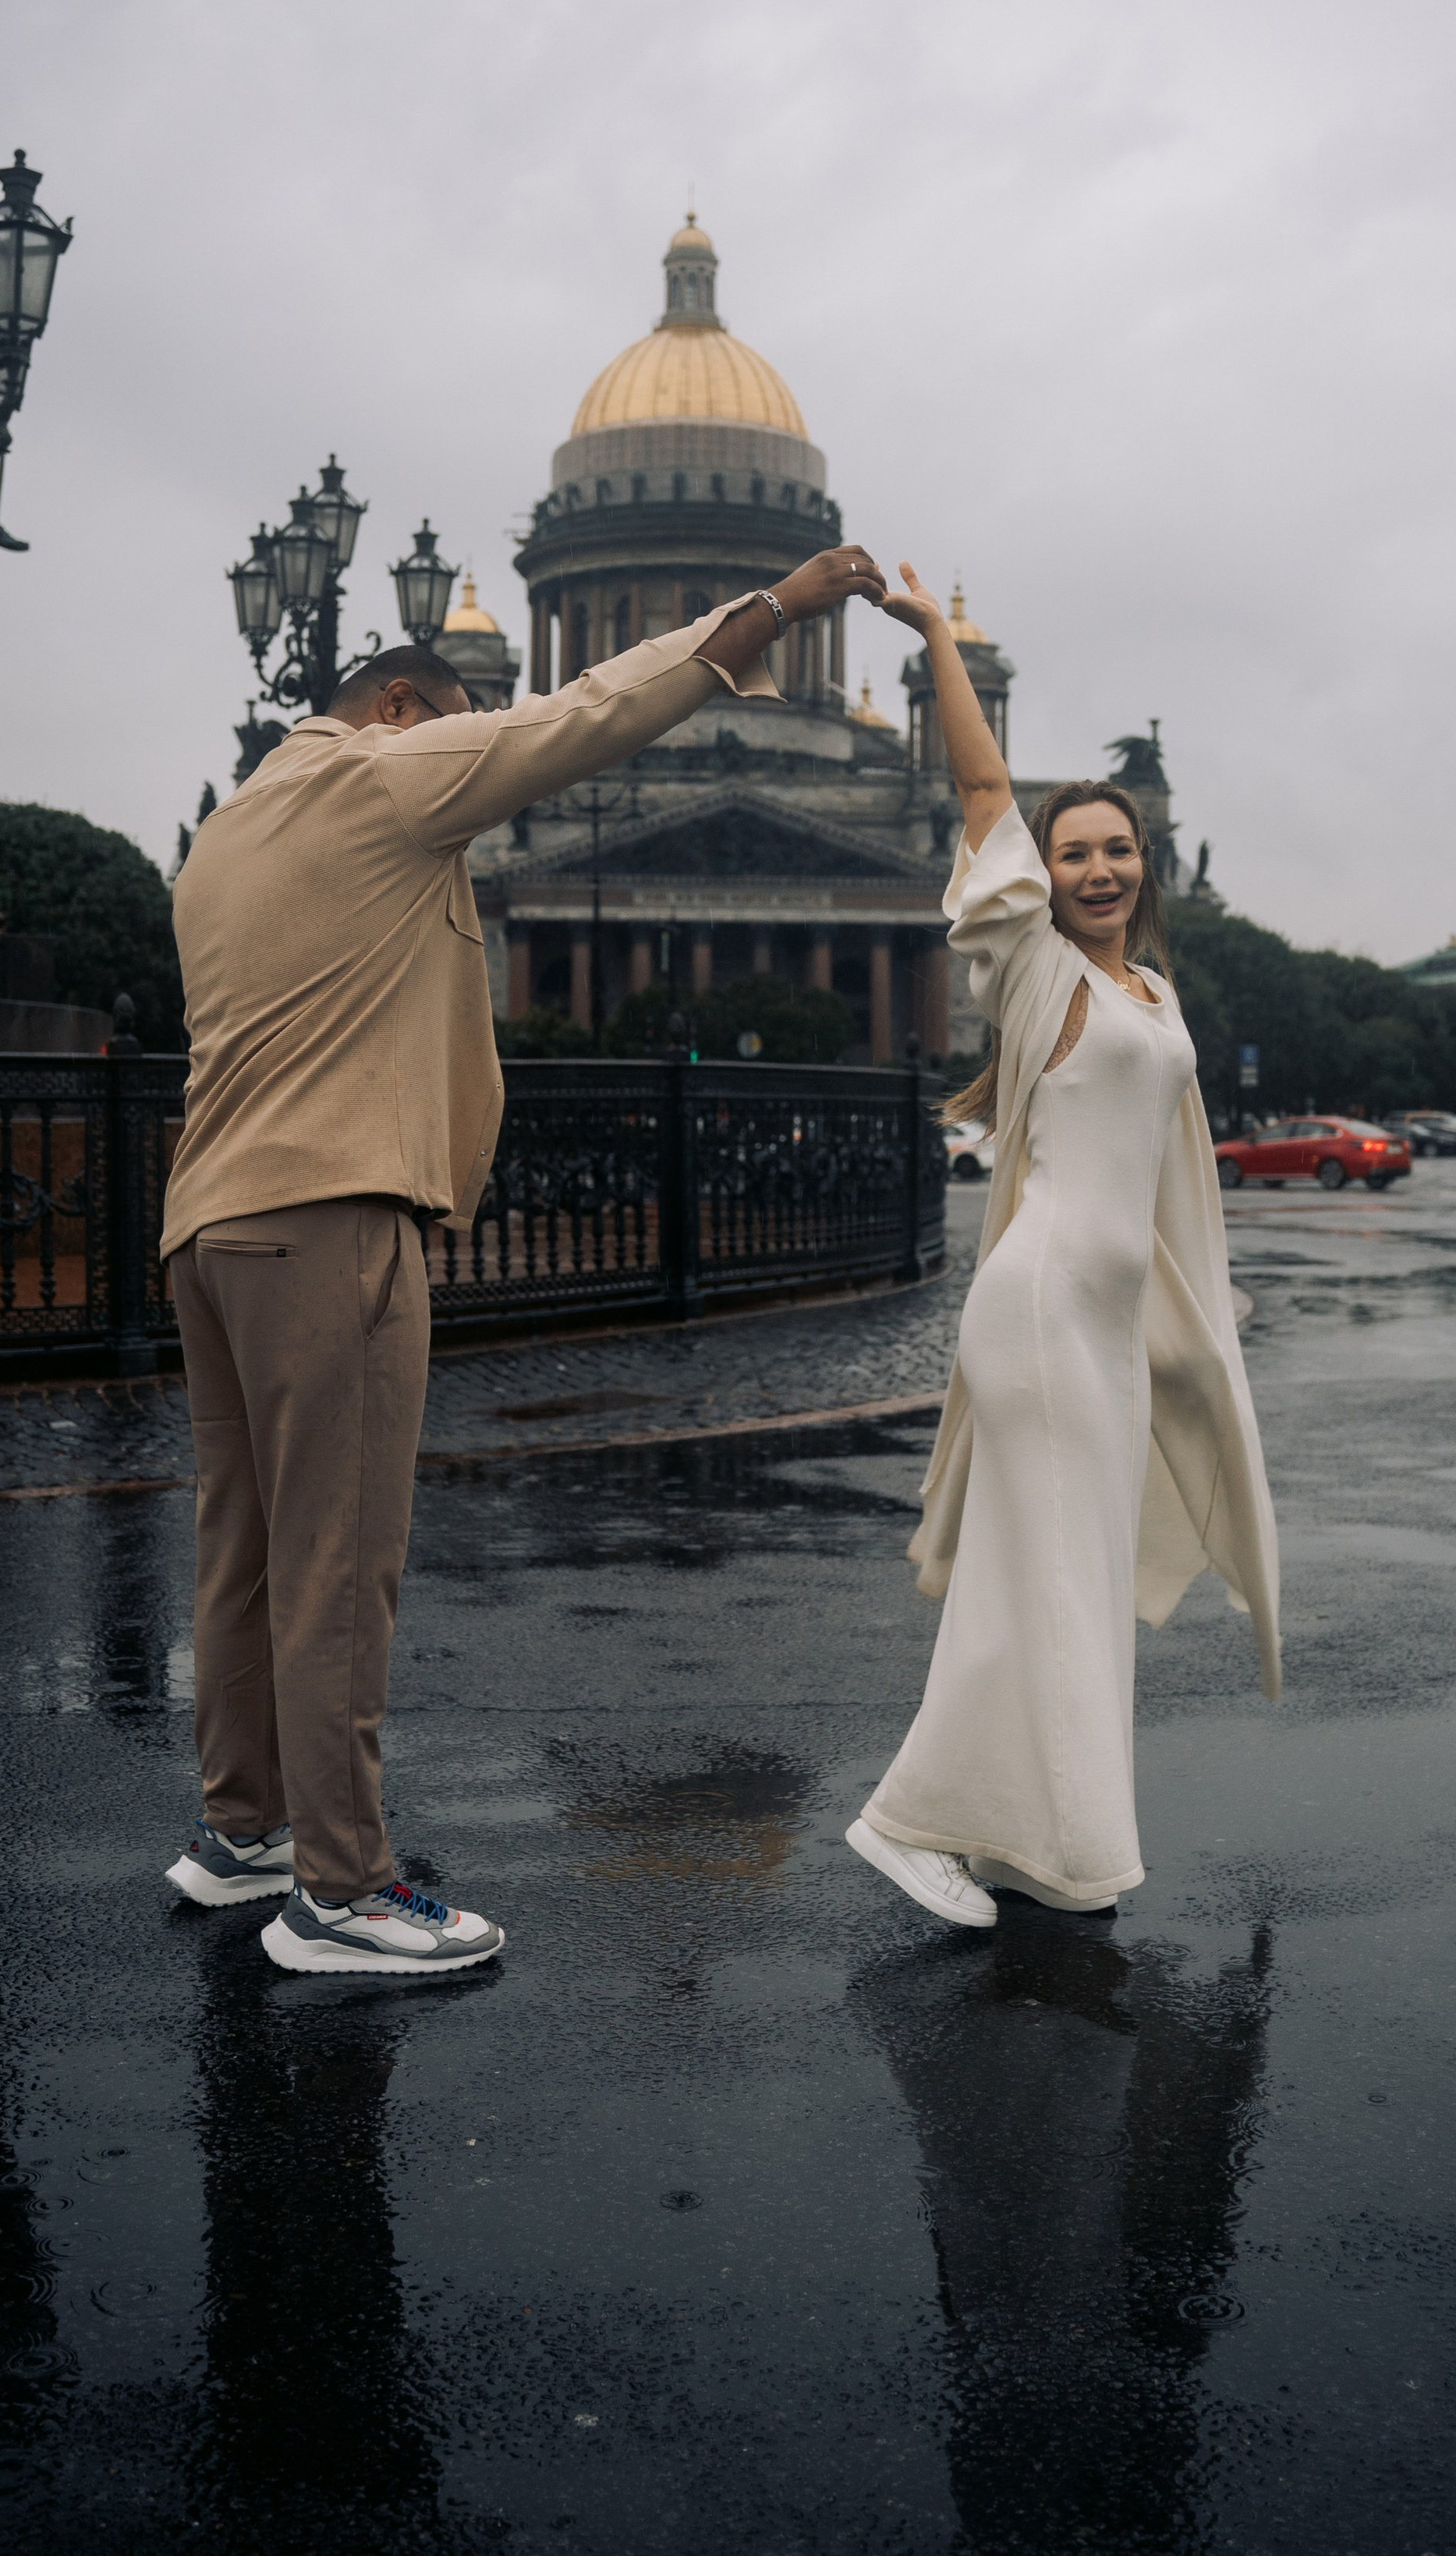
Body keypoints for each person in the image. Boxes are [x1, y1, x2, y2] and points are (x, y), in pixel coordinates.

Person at [161, 548, 887, 1974]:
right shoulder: (387, 778)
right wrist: (774, 617)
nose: (461, 750)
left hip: (215, 1225)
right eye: (447, 720)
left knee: (242, 1547)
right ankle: (345, 1892)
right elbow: (587, 714)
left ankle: (242, 1832)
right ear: (399, 713)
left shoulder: (231, 832)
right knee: (338, 1563)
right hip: (331, 1217)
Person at [846, 561, 1280, 1931]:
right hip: (1037, 1316)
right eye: (1073, 849)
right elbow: (983, 798)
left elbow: (1167, 1170)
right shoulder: (1036, 968)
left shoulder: (1146, 987)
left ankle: (1041, 1837)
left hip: (1103, 1326)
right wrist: (932, 640)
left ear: (1143, 864)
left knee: (1068, 1583)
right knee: (1032, 1582)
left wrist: (1199, 1305)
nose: (1095, 868)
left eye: (1116, 849)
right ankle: (908, 1822)